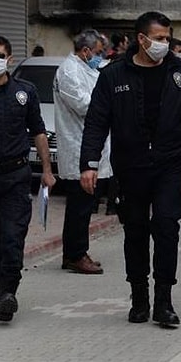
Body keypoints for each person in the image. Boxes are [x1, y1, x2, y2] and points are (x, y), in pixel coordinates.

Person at [80, 11, 181, 327]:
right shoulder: (114, 76)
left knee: (167, 227)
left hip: (168, 164)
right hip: (131, 167)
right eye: (160, 38)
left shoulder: (180, 73)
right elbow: (97, 121)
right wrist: (89, 164)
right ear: (141, 39)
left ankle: (164, 302)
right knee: (135, 231)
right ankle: (139, 297)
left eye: (167, 38)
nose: (164, 44)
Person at [0, 35, 56, 321]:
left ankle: (9, 293)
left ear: (9, 59)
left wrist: (47, 171)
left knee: (11, 238)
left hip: (15, 176)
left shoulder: (24, 92)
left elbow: (38, 132)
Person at [54, 29, 110, 275]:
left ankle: (75, 253)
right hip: (77, 147)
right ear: (86, 51)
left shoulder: (87, 68)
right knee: (79, 207)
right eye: (98, 53)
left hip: (89, 147)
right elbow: (83, 105)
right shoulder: (69, 71)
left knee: (83, 206)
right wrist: (110, 104)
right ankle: (76, 255)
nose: (101, 57)